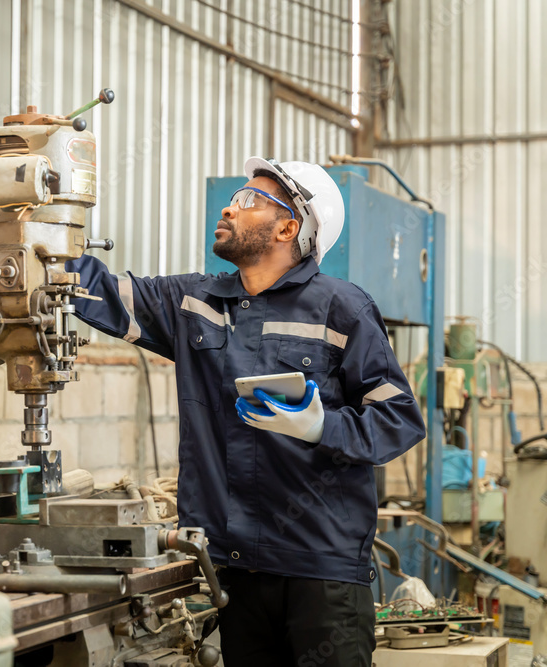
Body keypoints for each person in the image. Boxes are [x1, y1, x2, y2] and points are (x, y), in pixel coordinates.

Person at [67, 157, 426, 666]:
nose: (230, 209)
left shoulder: (341, 308)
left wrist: (324, 425)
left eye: (249, 202)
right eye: (235, 198)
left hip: (322, 574)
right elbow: (95, 290)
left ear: (288, 227)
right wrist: (43, 219)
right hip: (234, 571)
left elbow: (399, 421)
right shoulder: (195, 302)